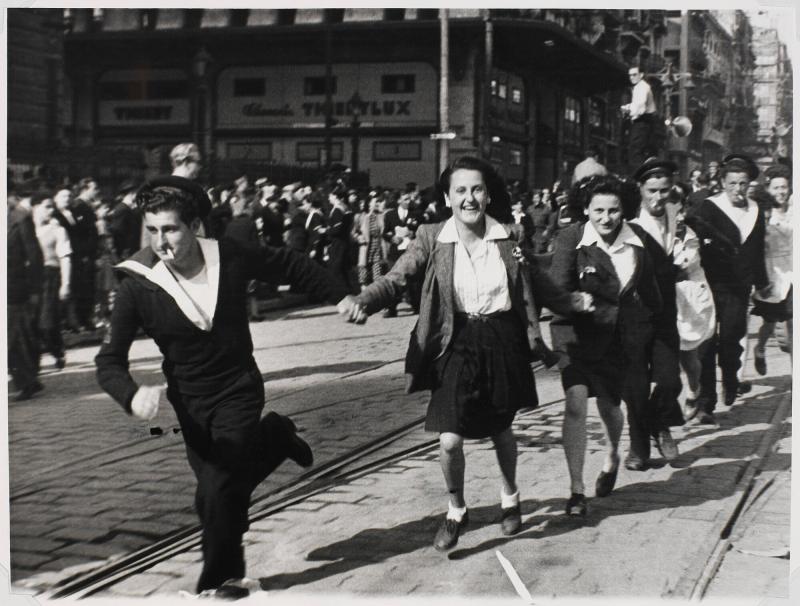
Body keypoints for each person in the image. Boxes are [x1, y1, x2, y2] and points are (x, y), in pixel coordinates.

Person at [95, 176, 349, 599]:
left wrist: (339, 294)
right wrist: (130, 392)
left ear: (194, 226)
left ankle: (221, 582)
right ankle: (275, 436)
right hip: (189, 402)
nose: (162, 241)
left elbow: (291, 265)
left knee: (216, 491)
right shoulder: (137, 283)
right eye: (153, 230)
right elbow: (108, 361)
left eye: (171, 229)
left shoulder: (229, 255)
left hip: (238, 387)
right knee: (218, 494)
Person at [339, 156, 592, 550]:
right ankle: (456, 509)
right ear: (448, 196)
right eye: (461, 190)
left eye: (477, 189)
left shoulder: (507, 237)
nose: (469, 198)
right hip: (453, 340)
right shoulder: (431, 236)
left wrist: (573, 303)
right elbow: (397, 276)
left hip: (501, 340)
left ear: (488, 194)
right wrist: (364, 299)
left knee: (501, 428)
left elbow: (537, 283)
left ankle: (510, 498)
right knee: (449, 439)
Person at [549, 174, 662, 515]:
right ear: (586, 209)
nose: (606, 218)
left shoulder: (638, 239)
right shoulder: (572, 237)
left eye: (613, 210)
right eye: (598, 210)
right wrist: (573, 301)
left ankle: (612, 453)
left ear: (623, 210)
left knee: (611, 408)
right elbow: (556, 291)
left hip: (615, 339)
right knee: (575, 403)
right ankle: (576, 490)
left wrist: (654, 335)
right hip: (575, 335)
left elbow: (652, 291)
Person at [685, 154, 770, 420]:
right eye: (732, 183)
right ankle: (706, 401)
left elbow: (757, 251)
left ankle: (731, 375)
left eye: (743, 184)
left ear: (749, 184)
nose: (738, 189)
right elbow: (693, 241)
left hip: (739, 286)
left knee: (733, 336)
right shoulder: (708, 208)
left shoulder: (755, 211)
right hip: (710, 284)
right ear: (722, 182)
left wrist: (762, 282)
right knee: (707, 343)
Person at [629, 158, 687, 464]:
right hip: (634, 318)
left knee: (670, 381)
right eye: (652, 190)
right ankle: (638, 449)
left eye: (664, 190)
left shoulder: (676, 216)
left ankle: (658, 421)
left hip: (666, 315)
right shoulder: (629, 225)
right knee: (636, 386)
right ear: (640, 189)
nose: (658, 197)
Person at [671, 188, 716, 416]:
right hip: (669, 299)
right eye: (673, 212)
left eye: (681, 210)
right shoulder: (651, 234)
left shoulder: (694, 232)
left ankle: (694, 391)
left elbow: (684, 267)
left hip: (695, 300)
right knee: (674, 357)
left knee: (692, 356)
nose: (679, 217)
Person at [751, 164, 793, 374]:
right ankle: (759, 349)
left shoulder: (794, 210)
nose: (781, 192)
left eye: (784, 187)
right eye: (776, 188)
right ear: (768, 189)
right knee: (770, 321)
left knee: (793, 326)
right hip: (772, 272)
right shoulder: (763, 212)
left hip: (793, 271)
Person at [7, 190, 45, 400]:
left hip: (14, 287)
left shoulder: (20, 219)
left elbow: (34, 255)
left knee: (11, 337)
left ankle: (27, 381)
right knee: (15, 337)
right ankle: (28, 380)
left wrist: (35, 289)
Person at [33, 193, 72, 371]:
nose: (51, 211)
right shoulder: (25, 229)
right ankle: (32, 364)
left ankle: (57, 351)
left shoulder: (58, 230)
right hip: (30, 280)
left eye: (52, 207)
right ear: (35, 207)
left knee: (47, 322)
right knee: (30, 322)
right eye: (46, 206)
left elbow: (65, 258)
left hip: (50, 278)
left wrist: (65, 283)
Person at [54, 182, 98, 332]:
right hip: (65, 256)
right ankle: (68, 321)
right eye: (63, 196)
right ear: (56, 198)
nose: (67, 199)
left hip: (79, 257)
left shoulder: (73, 212)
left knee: (82, 289)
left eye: (69, 196)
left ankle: (82, 319)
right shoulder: (56, 216)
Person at [621, 66, 658, 170]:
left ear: (641, 75)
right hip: (645, 122)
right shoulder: (642, 87)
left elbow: (640, 107)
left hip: (641, 122)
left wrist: (628, 110)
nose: (631, 77)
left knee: (635, 151)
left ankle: (639, 177)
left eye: (634, 75)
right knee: (641, 150)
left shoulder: (641, 87)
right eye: (630, 75)